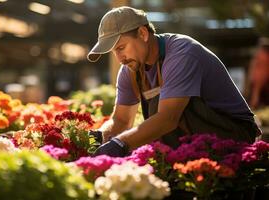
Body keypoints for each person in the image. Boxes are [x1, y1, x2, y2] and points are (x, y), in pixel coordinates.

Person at [87, 6, 262, 157]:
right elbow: (122, 121)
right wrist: (98, 137)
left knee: (163, 105)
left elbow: (168, 119)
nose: (119, 58)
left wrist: (120, 143)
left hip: (234, 133)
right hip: (194, 141)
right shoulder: (130, 70)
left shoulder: (182, 54)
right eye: (114, 52)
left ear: (142, 33)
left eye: (121, 47)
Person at [247, 38, 269, 109]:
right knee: (256, 94)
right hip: (259, 78)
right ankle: (254, 107)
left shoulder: (263, 54)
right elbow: (253, 66)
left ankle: (255, 106)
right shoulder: (259, 55)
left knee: (258, 94)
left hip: (263, 78)